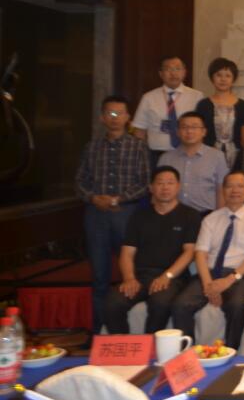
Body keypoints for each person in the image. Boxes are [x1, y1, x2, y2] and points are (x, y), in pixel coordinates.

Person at [76, 95, 150, 334]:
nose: (115, 118)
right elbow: (79, 182)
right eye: (110, 113)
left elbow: (145, 183)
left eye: (120, 114)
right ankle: (99, 333)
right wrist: (93, 198)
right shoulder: (91, 147)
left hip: (126, 215)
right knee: (99, 277)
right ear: (102, 117)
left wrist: (118, 199)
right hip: (96, 215)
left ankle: (132, 332)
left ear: (129, 118)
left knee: (132, 273)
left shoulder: (138, 146)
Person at [103, 166, 201, 333]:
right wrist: (129, 278)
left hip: (173, 278)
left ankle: (150, 345)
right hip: (140, 276)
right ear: (151, 188)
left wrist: (167, 276)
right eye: (160, 183)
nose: (165, 187)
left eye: (170, 183)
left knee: (160, 303)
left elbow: (189, 252)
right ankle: (123, 346)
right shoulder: (139, 216)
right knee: (113, 303)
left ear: (178, 186)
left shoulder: (190, 215)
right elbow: (127, 252)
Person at [171, 171, 244, 350]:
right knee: (181, 305)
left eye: (240, 186)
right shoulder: (210, 219)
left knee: (236, 306)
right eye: (229, 186)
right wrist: (208, 286)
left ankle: (231, 353)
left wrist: (229, 280)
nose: (234, 190)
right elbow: (200, 254)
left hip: (239, 276)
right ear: (223, 190)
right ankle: (188, 356)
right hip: (209, 274)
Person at [131, 55, 204, 168]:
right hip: (156, 155)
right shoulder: (148, 98)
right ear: (161, 73)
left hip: (188, 153)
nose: (173, 73)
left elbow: (202, 128)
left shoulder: (197, 96)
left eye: (177, 69)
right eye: (168, 69)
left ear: (184, 72)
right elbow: (139, 131)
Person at [159, 112, 229, 214]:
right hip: (173, 215)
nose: (189, 131)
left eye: (194, 127)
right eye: (184, 127)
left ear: (204, 132)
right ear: (178, 132)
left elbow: (221, 189)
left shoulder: (217, 156)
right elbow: (158, 190)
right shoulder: (166, 158)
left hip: (206, 215)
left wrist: (219, 217)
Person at [195, 57, 244, 169]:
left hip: (238, 156)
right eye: (219, 75)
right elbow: (198, 133)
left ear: (234, 79)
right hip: (208, 155)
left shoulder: (243, 106)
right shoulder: (203, 105)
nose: (223, 79)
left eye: (227, 76)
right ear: (212, 78)